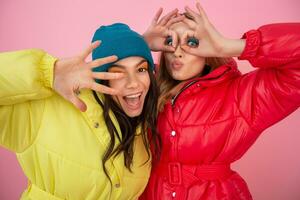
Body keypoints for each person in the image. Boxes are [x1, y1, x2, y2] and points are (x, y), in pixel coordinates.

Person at [141, 3, 300, 200]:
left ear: (208, 52)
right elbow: (101, 86)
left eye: (191, 42)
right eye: (169, 41)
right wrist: (139, 44)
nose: (177, 52)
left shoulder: (240, 95)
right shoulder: (144, 87)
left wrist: (227, 46)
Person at [0, 23, 162, 200]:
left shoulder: (141, 128)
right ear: (101, 78)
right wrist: (49, 72)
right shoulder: (45, 107)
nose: (134, 83)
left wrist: (140, 45)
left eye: (141, 69)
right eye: (118, 73)